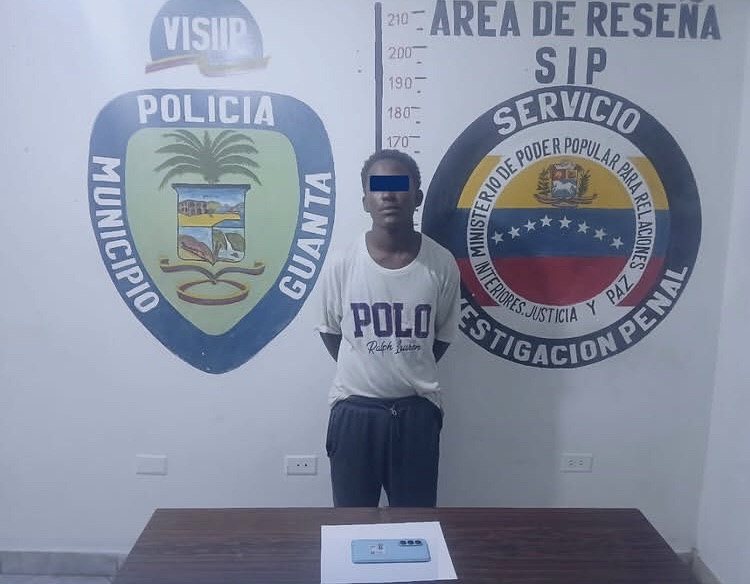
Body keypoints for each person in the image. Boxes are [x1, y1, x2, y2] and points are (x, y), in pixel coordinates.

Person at [316, 149, 461, 507]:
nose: (389, 195)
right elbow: (330, 331)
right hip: (353, 413)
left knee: (416, 524)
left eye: (399, 185)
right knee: (351, 524)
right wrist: (372, 365)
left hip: (417, 414)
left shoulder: (441, 264)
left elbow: (441, 336)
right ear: (365, 201)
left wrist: (404, 365)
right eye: (378, 187)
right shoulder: (341, 263)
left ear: (417, 197)